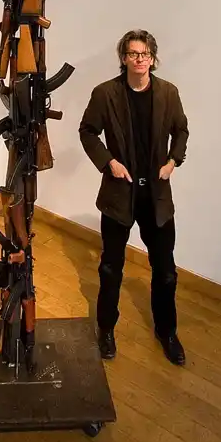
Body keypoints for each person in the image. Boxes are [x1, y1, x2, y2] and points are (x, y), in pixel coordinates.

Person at [78, 29, 189, 365]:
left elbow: (181, 130)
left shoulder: (168, 93)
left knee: (166, 270)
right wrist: (109, 162)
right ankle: (106, 329)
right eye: (132, 53)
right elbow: (87, 131)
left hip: (156, 196)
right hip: (119, 193)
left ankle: (167, 332)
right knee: (111, 268)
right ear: (123, 58)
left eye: (144, 54)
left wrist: (173, 161)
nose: (139, 59)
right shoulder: (105, 94)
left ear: (152, 59)